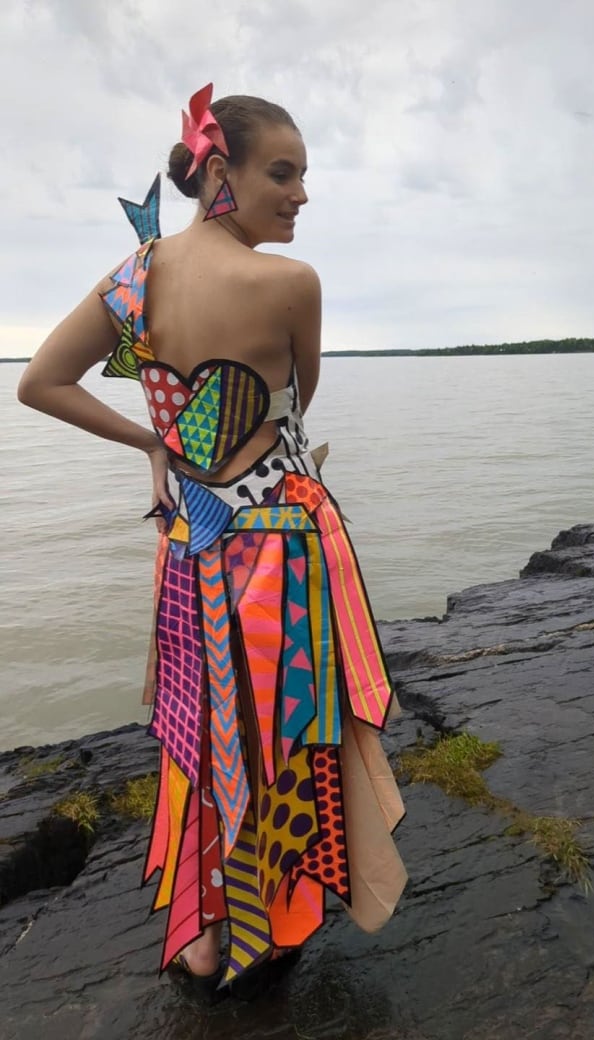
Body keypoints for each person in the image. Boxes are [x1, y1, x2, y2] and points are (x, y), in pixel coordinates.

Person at [17, 84, 407, 998]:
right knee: (282, 736)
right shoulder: (290, 285)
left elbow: (39, 382)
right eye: (284, 171)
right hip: (278, 550)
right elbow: (294, 408)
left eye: (306, 174)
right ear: (220, 169)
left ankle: (203, 940)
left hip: (191, 552)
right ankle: (267, 923)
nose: (302, 193)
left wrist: (152, 439)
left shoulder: (134, 276)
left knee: (200, 739)